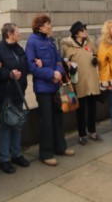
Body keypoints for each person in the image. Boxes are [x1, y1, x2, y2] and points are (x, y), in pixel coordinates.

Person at [25, 14, 75, 166]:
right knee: (46, 121)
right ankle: (45, 153)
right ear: (40, 27)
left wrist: (58, 72)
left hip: (55, 85)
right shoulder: (32, 42)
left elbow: (58, 59)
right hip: (43, 88)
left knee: (57, 118)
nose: (50, 27)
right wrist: (50, 74)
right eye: (48, 24)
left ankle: (60, 147)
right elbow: (31, 66)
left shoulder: (50, 40)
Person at [0, 23, 31, 174]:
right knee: (6, 126)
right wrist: (8, 73)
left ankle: (16, 154)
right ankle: (4, 159)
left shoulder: (18, 48)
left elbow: (24, 67)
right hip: (5, 95)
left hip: (18, 93)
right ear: (9, 34)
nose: (19, 34)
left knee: (17, 124)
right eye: (17, 31)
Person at [60, 21, 102, 145]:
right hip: (78, 81)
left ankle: (92, 131)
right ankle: (82, 134)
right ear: (77, 33)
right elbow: (63, 61)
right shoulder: (67, 45)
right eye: (83, 30)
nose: (85, 32)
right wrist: (68, 65)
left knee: (93, 107)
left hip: (92, 80)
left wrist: (96, 59)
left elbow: (96, 54)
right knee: (81, 109)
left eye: (85, 29)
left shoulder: (90, 42)